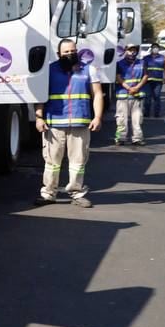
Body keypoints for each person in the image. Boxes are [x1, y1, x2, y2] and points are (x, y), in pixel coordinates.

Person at [35, 39, 104, 208]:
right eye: (65, 52)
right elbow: (40, 96)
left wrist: (98, 117)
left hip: (80, 124)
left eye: (72, 51)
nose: (70, 54)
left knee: (78, 162)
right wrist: (38, 117)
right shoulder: (49, 71)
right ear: (59, 54)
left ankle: (76, 193)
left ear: (77, 51)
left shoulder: (89, 69)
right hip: (54, 124)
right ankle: (48, 193)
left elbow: (97, 94)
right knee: (52, 162)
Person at [114, 43, 146, 145]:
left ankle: (137, 139)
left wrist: (137, 87)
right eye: (129, 50)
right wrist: (129, 88)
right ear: (125, 51)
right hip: (124, 95)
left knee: (137, 119)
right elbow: (118, 77)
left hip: (137, 95)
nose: (132, 52)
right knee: (121, 119)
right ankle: (120, 138)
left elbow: (145, 76)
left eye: (134, 50)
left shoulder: (142, 63)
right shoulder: (119, 64)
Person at [142, 43, 165, 118]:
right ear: (151, 48)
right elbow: (143, 68)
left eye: (156, 47)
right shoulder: (146, 58)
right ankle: (146, 113)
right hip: (147, 81)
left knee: (157, 97)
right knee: (147, 97)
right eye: (154, 47)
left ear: (159, 49)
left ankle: (156, 113)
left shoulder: (163, 58)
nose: (155, 49)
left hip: (158, 81)